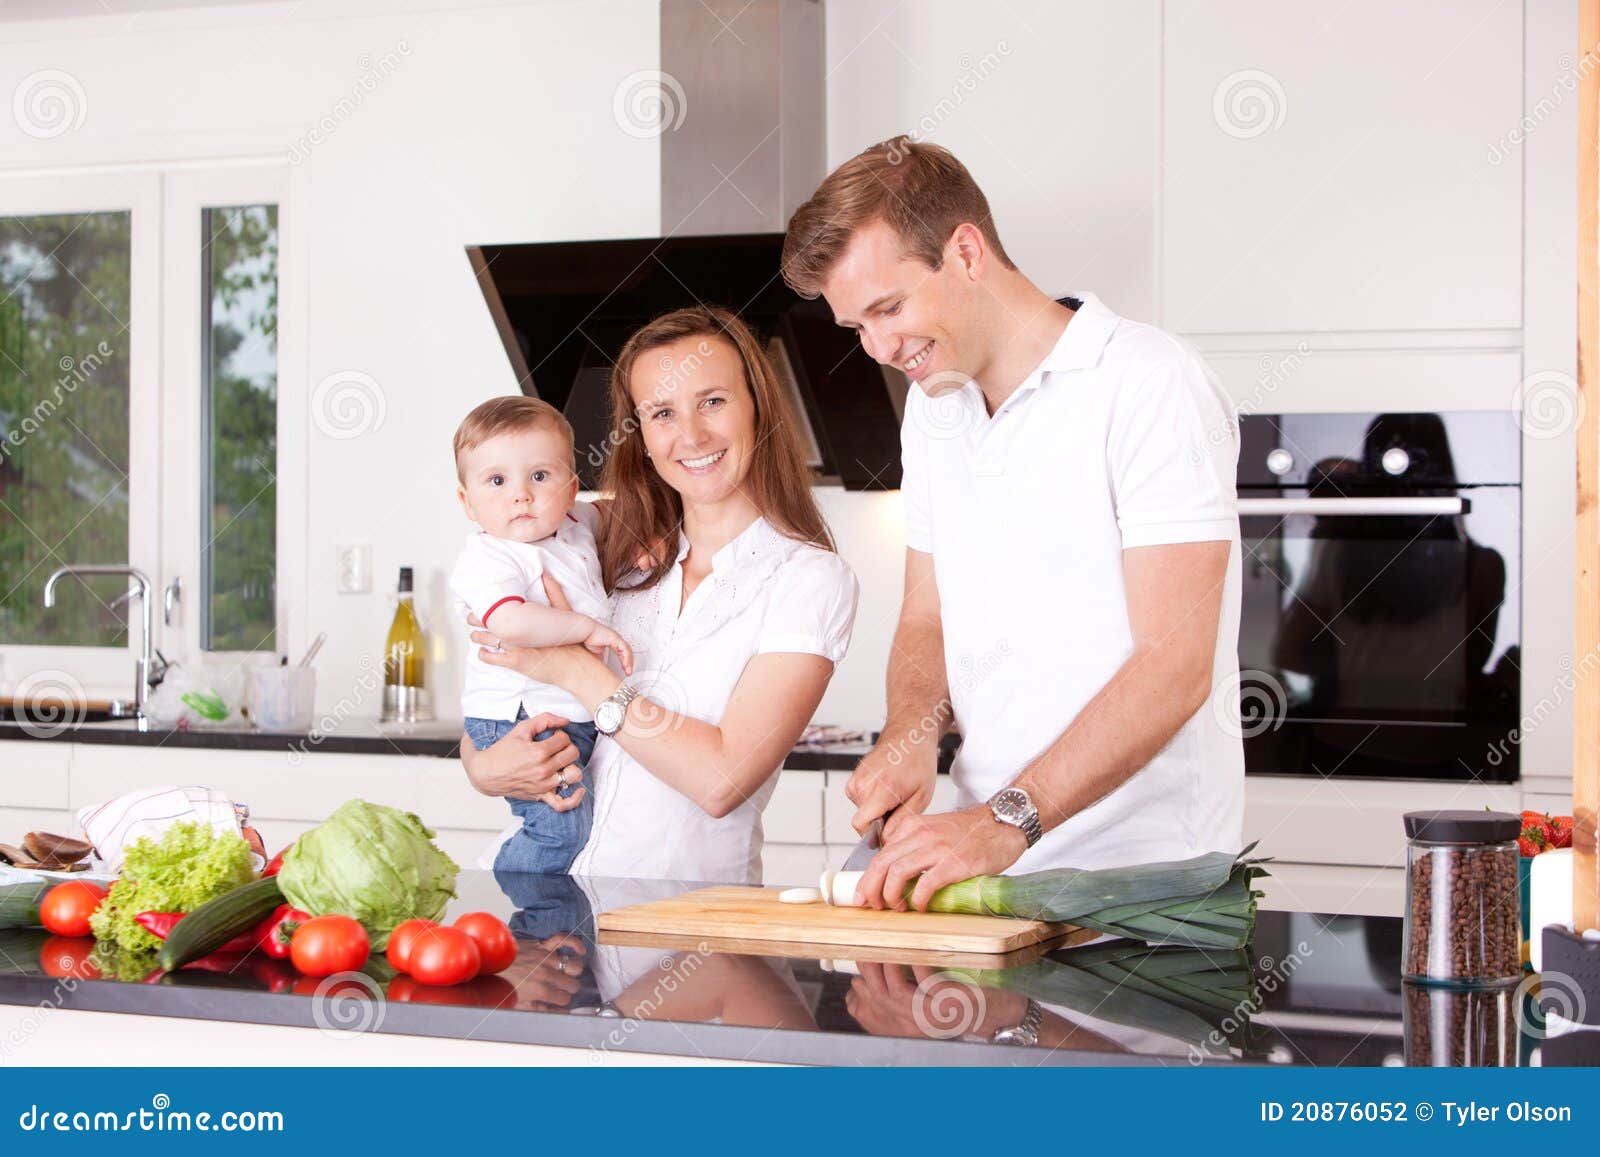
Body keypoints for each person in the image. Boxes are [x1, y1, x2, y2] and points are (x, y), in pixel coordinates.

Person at [780, 136, 1243, 909]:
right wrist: (910, 732)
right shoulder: (936, 415)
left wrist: (1004, 820)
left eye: (889, 308)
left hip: (1143, 888)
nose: (881, 348)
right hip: (983, 874)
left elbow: (1175, 668)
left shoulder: (1149, 384)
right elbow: (927, 616)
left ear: (965, 251)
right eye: (856, 326)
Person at [459, 305, 860, 884]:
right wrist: (484, 769)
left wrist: (578, 672)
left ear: (758, 408)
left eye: (713, 401)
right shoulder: (603, 546)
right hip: (536, 897)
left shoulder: (810, 579)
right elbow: (495, 686)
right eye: (663, 413)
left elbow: (722, 781)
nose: (691, 435)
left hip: (682, 934)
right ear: (641, 436)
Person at [449, 395, 634, 875]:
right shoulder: (490, 557)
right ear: (467, 503)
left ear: (571, 490)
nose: (521, 495)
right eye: (497, 480)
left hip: (568, 713)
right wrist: (586, 628)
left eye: (539, 476)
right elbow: (509, 621)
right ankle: (517, 907)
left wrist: (649, 532)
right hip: (519, 718)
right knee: (562, 831)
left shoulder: (573, 526)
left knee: (577, 824)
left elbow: (617, 512)